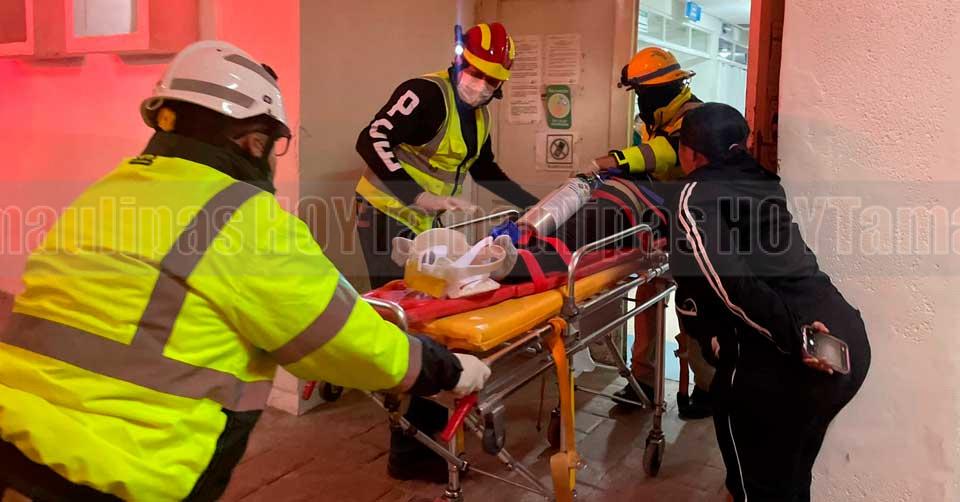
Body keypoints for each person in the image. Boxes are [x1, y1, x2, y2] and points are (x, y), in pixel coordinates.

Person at [0, 41, 490, 502]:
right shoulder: (242, 219)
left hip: (12, 441)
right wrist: (446, 369)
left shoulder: (107, 191)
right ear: (255, 141)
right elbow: (345, 341)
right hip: (124, 468)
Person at [353, 22, 537, 483]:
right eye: (475, 71)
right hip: (384, 215)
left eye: (492, 79)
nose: (481, 83)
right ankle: (407, 450)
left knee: (429, 321)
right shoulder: (426, 94)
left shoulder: (479, 116)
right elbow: (371, 138)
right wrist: (417, 196)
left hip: (422, 225)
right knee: (408, 324)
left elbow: (486, 169)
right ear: (460, 59)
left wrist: (531, 205)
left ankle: (424, 423)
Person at [668, 103, 870, 501]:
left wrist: (797, 339)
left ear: (689, 152)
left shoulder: (693, 194)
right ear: (741, 145)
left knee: (757, 486)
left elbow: (732, 284)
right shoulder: (763, 182)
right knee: (789, 479)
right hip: (846, 337)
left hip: (799, 358)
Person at [585, 46, 713, 418]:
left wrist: (616, 161)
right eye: (638, 92)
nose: (640, 100)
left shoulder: (695, 118)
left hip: (696, 227)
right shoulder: (653, 120)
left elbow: (665, 152)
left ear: (666, 88)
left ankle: (708, 388)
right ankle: (643, 381)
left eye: (643, 92)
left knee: (694, 309)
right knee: (647, 301)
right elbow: (649, 163)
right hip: (661, 224)